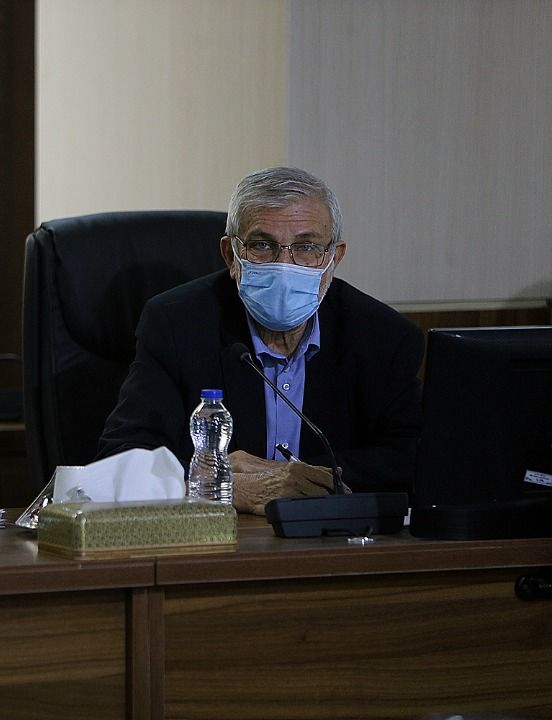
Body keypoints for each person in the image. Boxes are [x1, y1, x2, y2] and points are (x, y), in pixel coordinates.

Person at [97, 167, 422, 514]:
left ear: (333, 258)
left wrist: (295, 480)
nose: (284, 265)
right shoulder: (177, 325)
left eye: (307, 247)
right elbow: (123, 456)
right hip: (218, 537)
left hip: (332, 536)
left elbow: (413, 458)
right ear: (230, 255)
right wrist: (221, 486)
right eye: (262, 245)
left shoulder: (383, 337)